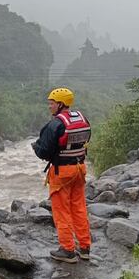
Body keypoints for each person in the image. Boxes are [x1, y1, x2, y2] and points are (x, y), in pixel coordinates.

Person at [31, 87, 92, 263]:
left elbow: (44, 153)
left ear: (60, 104)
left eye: (51, 103)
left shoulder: (55, 124)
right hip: (80, 169)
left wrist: (35, 147)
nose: (49, 106)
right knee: (79, 208)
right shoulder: (82, 119)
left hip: (62, 173)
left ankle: (67, 250)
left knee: (62, 211)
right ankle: (85, 247)